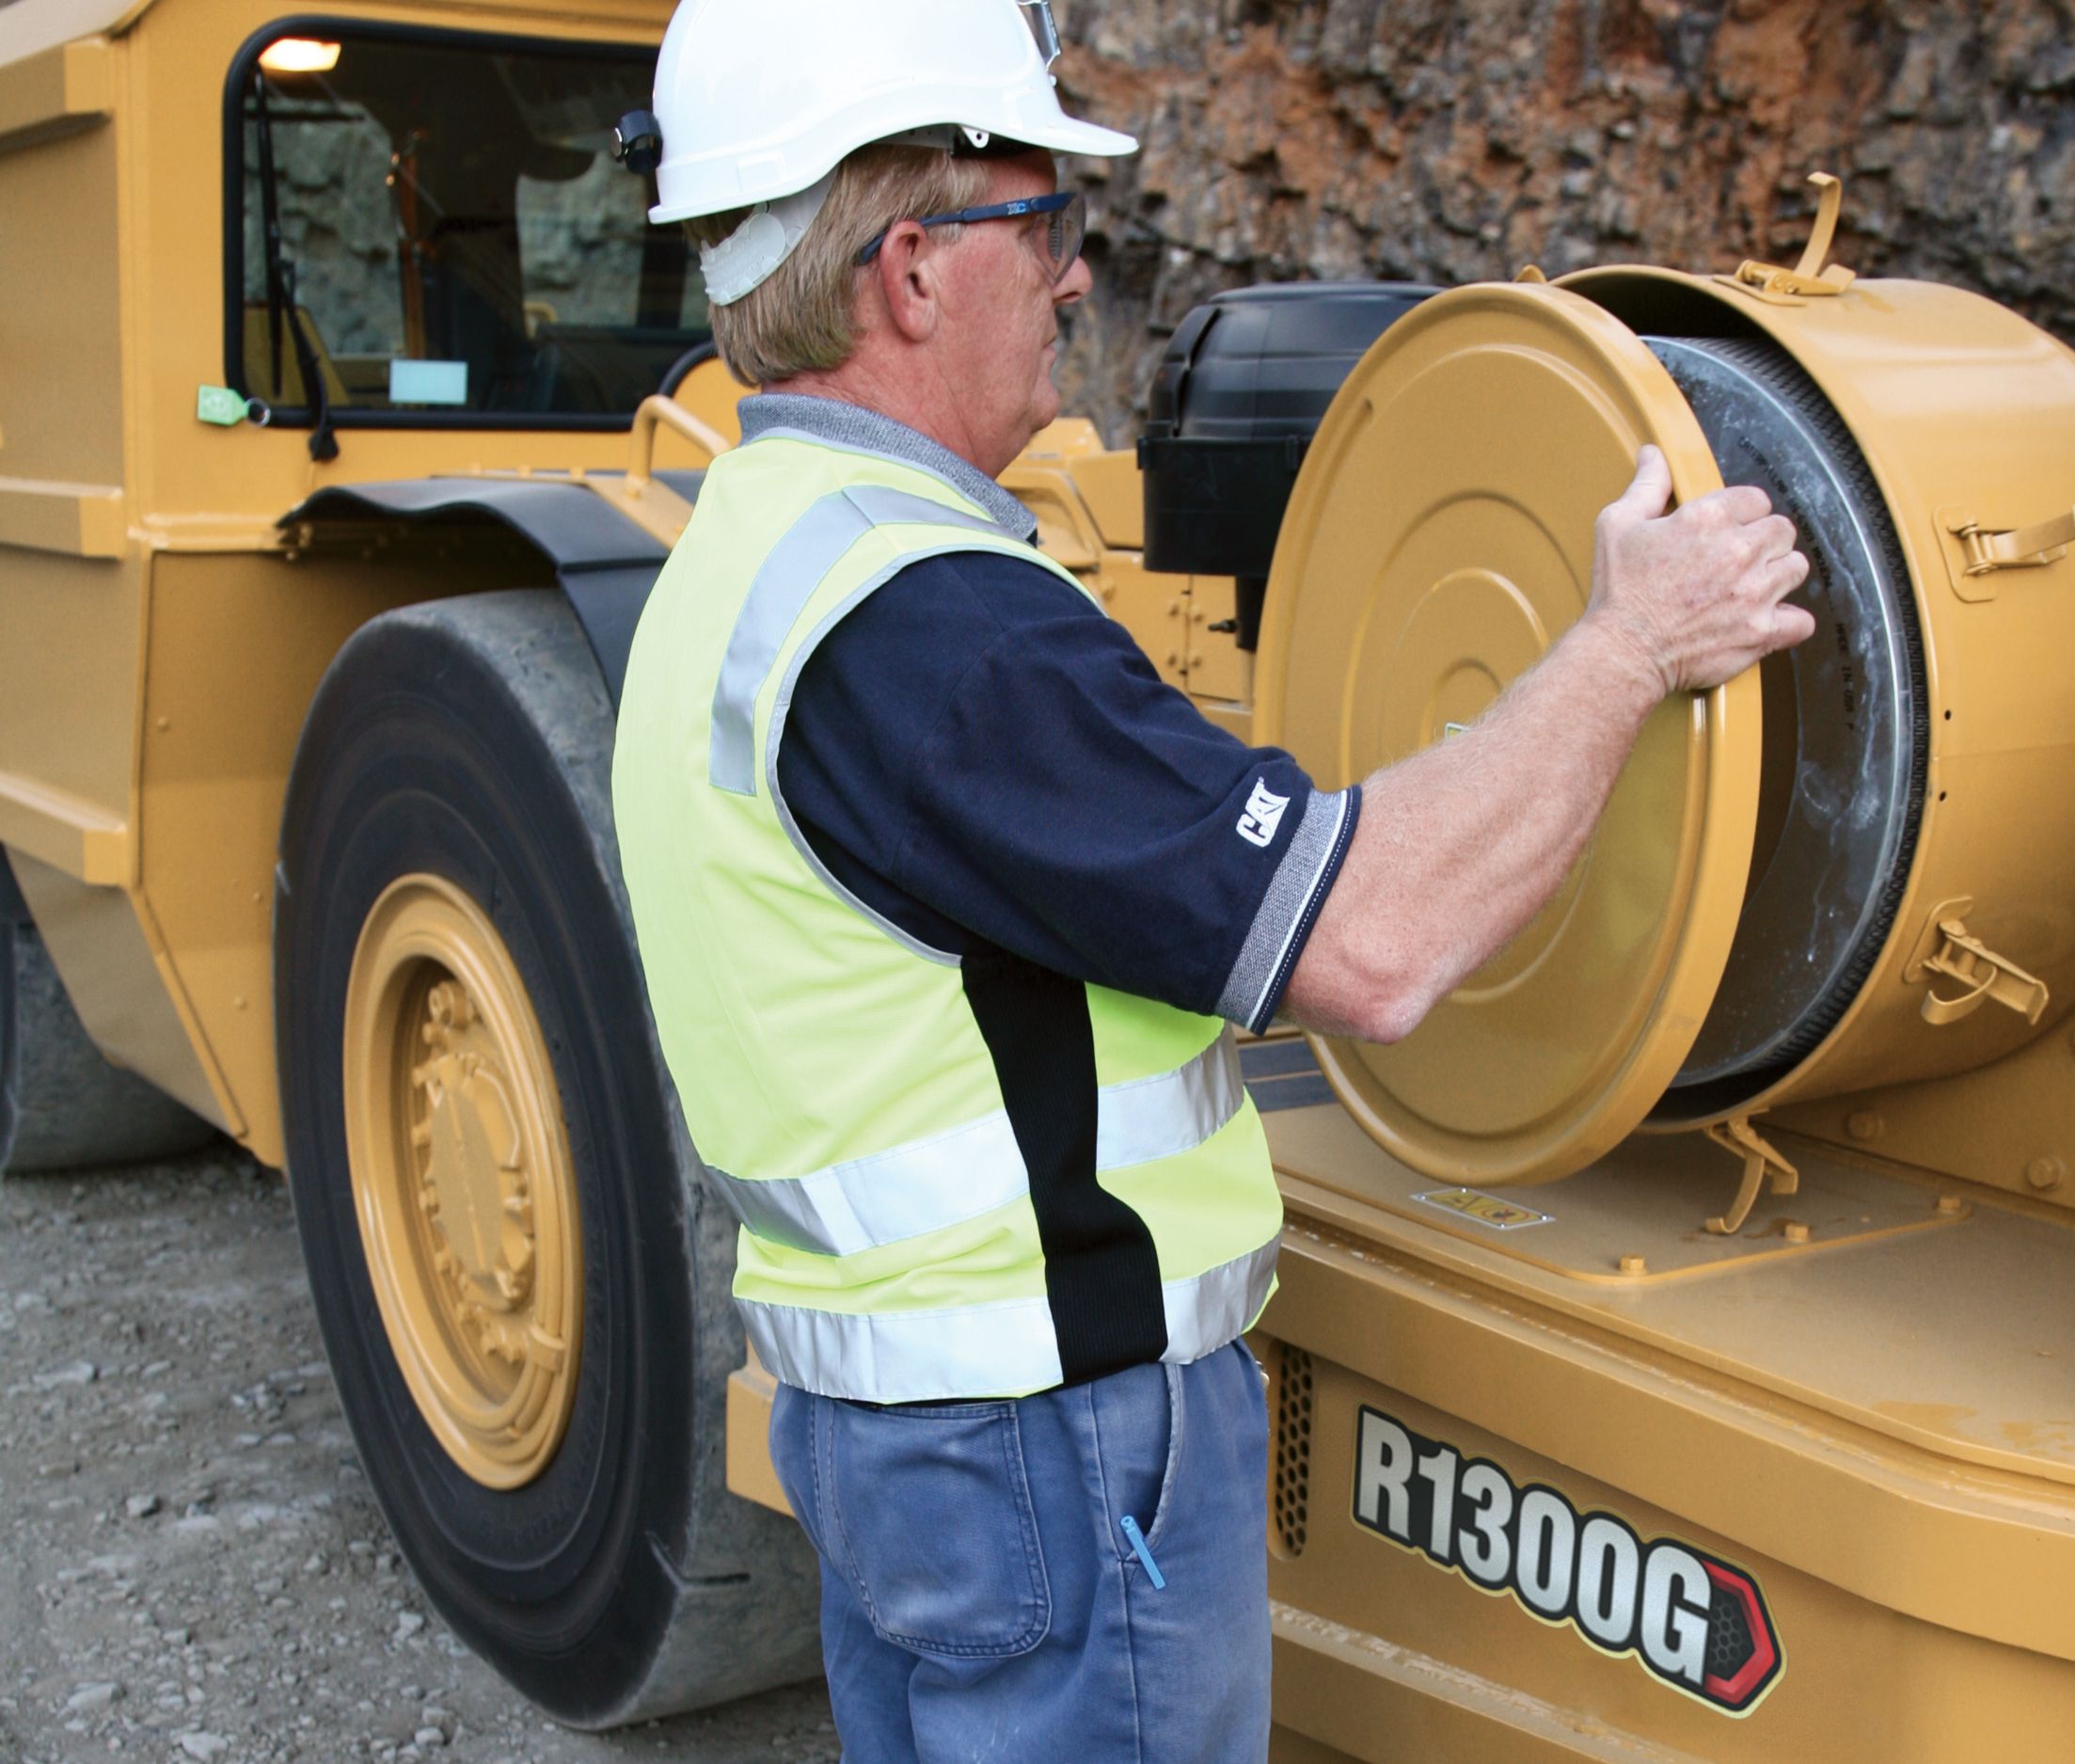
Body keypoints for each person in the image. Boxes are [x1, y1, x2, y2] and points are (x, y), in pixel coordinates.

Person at [609, 3, 1813, 1759]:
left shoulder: (744, 552)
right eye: (1053, 227)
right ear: (917, 267)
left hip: (894, 1429)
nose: (1080, 281)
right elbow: (1381, 946)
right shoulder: (937, 628)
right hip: (1049, 1441)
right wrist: (1633, 644)